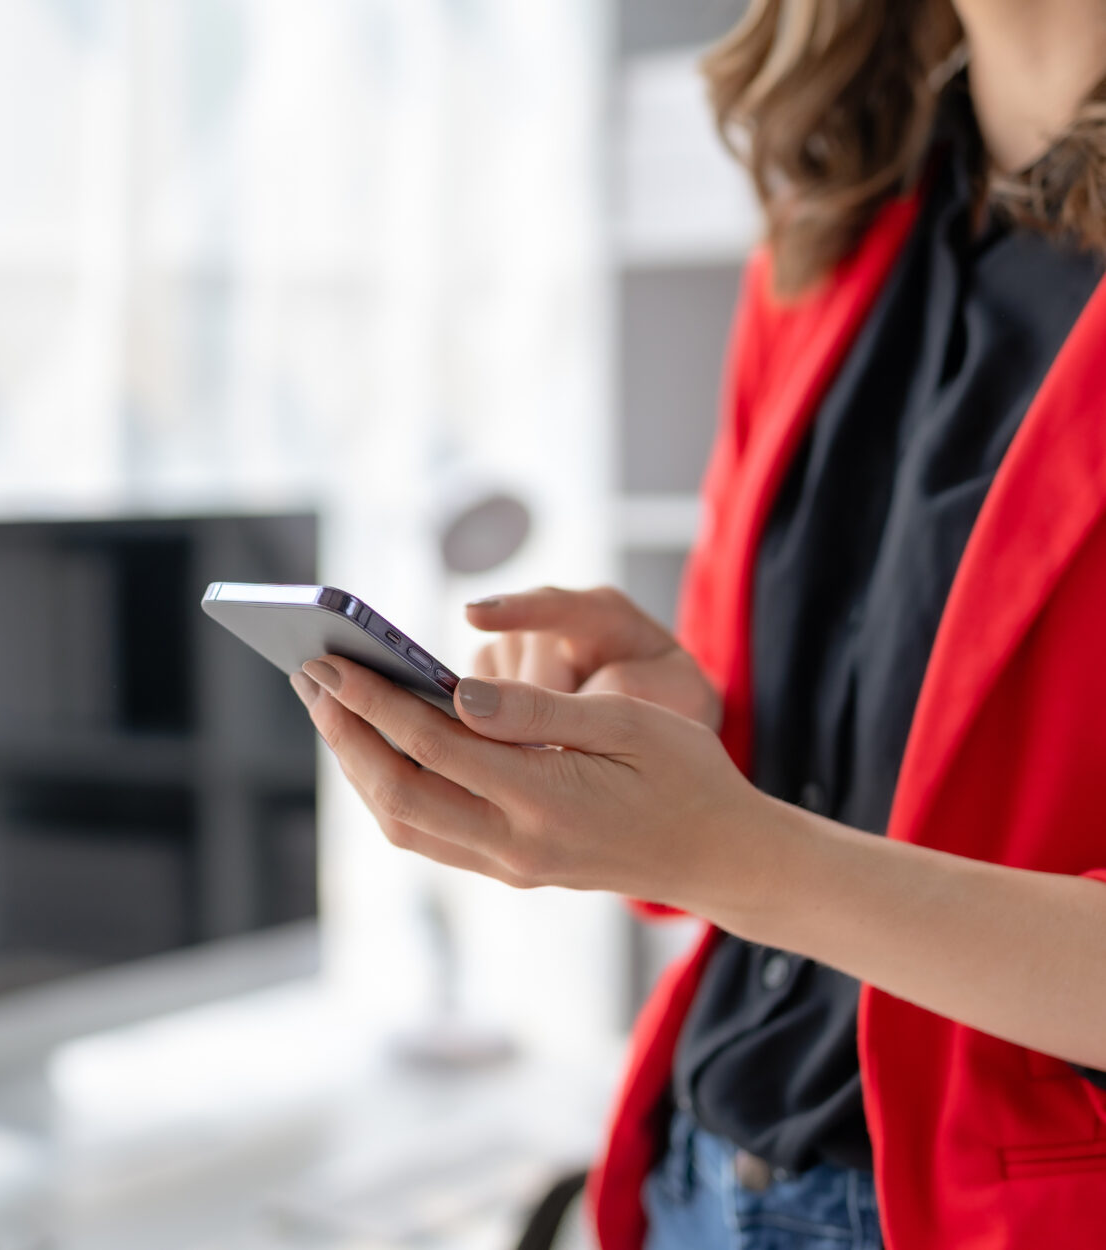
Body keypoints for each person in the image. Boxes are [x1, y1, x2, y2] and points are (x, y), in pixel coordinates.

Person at [287, 0, 1106, 1246]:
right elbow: (750, 840)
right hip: (696, 1178)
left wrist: (720, 846)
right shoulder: (833, 231)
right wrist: (670, 731)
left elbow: (742, 858)